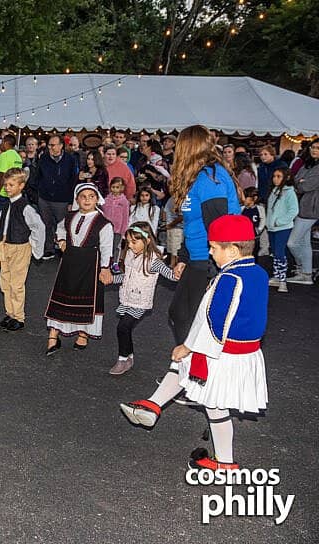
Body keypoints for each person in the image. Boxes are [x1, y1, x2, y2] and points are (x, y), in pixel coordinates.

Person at [120, 215, 268, 472]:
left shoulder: (229, 278)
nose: (210, 253)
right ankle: (154, 406)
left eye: (214, 248)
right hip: (243, 353)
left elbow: (215, 320)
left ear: (232, 249)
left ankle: (222, 461)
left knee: (206, 394)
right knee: (208, 397)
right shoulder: (258, 273)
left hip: (220, 353)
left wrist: (189, 346)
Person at [167, 125, 242, 347]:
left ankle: (195, 371)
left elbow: (219, 228)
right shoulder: (198, 177)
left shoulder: (210, 178)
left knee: (188, 317)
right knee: (181, 315)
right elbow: (193, 224)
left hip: (210, 261)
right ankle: (190, 368)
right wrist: (183, 257)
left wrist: (215, 273)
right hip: (197, 256)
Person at [44, 183, 114, 355]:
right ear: (77, 199)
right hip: (69, 263)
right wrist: (61, 241)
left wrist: (105, 268)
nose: (87, 200)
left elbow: (107, 247)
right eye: (83, 196)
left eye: (91, 196)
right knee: (62, 295)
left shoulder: (103, 223)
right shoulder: (69, 217)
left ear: (97, 199)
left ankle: (83, 333)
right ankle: (54, 334)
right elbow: (60, 228)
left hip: (90, 265)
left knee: (85, 299)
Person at [108, 222, 178, 375]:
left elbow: (171, 275)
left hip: (140, 301)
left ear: (146, 241)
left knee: (123, 327)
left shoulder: (154, 261)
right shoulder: (130, 256)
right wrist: (112, 279)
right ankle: (129, 357)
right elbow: (126, 277)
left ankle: (122, 359)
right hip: (127, 298)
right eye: (128, 242)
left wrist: (180, 271)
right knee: (125, 328)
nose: (130, 245)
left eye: (134, 242)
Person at [0, 169, 45, 332]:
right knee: (5, 282)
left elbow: (38, 227)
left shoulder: (25, 207)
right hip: (6, 246)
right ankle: (10, 313)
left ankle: (18, 317)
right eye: (6, 184)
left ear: (21, 186)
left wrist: (34, 247)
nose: (7, 187)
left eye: (11, 185)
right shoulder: (8, 204)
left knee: (16, 283)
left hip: (20, 247)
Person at [32, 135, 78, 260]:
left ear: (61, 145)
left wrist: (70, 200)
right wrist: (39, 193)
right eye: (49, 145)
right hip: (44, 198)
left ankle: (66, 250)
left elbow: (73, 180)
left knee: (64, 226)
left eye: (53, 145)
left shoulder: (70, 159)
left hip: (62, 200)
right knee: (46, 224)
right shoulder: (44, 158)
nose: (50, 147)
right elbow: (38, 176)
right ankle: (49, 249)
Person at [287, 138, 319, 285]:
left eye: (318, 148)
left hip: (311, 209)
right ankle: (305, 273)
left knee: (292, 243)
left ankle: (303, 269)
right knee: (305, 243)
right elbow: (295, 179)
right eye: (313, 147)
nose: (314, 150)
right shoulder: (308, 164)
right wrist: (300, 182)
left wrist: (301, 182)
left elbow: (306, 186)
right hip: (303, 207)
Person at [265, 168, 298, 293]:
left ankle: (283, 281)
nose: (275, 179)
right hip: (272, 228)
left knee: (280, 253)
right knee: (274, 252)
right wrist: (269, 223)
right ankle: (277, 277)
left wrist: (279, 221)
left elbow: (294, 211)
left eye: (279, 176)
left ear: (287, 177)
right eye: (274, 176)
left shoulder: (290, 192)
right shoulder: (274, 191)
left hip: (282, 228)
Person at [102, 177, 129, 273]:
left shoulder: (124, 201)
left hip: (118, 229)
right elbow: (103, 212)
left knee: (116, 246)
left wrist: (124, 230)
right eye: (113, 187)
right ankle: (105, 263)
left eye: (117, 187)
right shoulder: (106, 199)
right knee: (106, 245)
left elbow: (125, 216)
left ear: (122, 188)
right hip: (106, 228)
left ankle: (115, 263)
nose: (115, 189)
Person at [240, 187, 266, 258]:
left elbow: (263, 220)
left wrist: (259, 229)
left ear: (254, 198)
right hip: (243, 236)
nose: (243, 199)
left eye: (246, 197)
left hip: (254, 237)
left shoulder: (260, 209)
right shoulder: (242, 209)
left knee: (254, 254)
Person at [163, 195, 184, 268]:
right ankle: (172, 266)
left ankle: (175, 267)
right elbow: (165, 213)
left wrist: (170, 225)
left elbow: (181, 216)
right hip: (170, 227)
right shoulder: (171, 198)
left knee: (176, 250)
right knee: (172, 250)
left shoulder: (181, 199)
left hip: (177, 228)